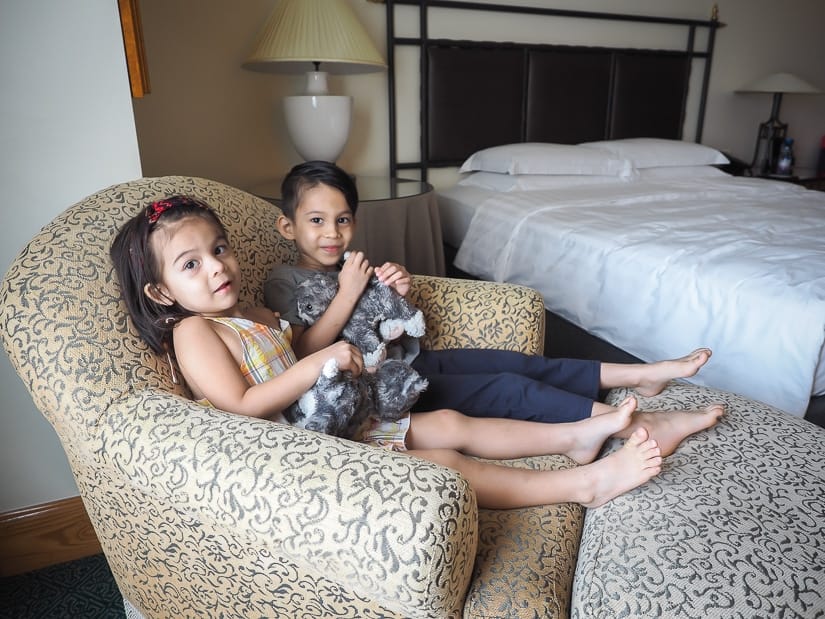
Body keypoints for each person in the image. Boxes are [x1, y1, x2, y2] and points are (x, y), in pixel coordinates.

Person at [110, 194, 667, 510]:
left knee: (450, 419)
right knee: (446, 465)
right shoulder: (193, 333)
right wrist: (312, 368)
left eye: (219, 248)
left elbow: (302, 346)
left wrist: (327, 348)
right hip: (300, 454)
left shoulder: (251, 313)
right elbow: (240, 404)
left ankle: (574, 437)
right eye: (191, 264)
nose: (216, 266)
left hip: (338, 419)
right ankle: (582, 487)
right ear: (161, 293)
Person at [264, 161, 724, 457]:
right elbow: (307, 350)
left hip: (408, 359)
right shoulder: (284, 281)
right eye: (317, 221)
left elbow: (386, 324)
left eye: (343, 220)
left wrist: (398, 290)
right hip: (383, 392)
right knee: (507, 388)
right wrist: (348, 293)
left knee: (517, 363)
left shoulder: (352, 265)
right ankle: (635, 426)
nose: (333, 233)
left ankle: (640, 375)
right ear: (288, 226)